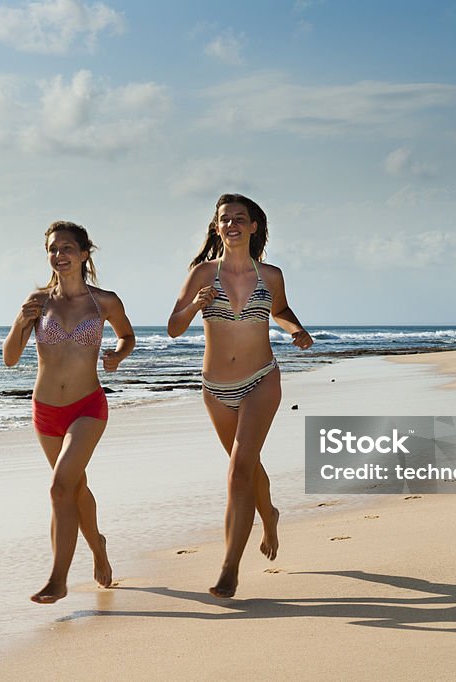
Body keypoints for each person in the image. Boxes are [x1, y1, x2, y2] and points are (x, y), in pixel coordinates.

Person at [168, 194, 313, 598]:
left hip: (260, 380)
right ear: (217, 228)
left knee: (237, 469)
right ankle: (269, 516)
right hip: (215, 389)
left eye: (239, 219)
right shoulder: (201, 275)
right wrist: (195, 307)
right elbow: (173, 328)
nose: (231, 224)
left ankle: (229, 568)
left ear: (253, 227)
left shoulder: (271, 275)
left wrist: (294, 331)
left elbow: (281, 310)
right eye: (224, 220)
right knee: (246, 467)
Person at [3, 220, 135, 604]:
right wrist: (19, 321)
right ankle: (99, 548)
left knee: (61, 486)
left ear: (83, 254)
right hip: (45, 411)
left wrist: (118, 355)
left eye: (66, 248)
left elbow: (127, 335)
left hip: (87, 407)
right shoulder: (39, 302)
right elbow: (11, 359)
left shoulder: (104, 301)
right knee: (74, 489)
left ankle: (57, 580)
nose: (58, 255)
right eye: (52, 249)